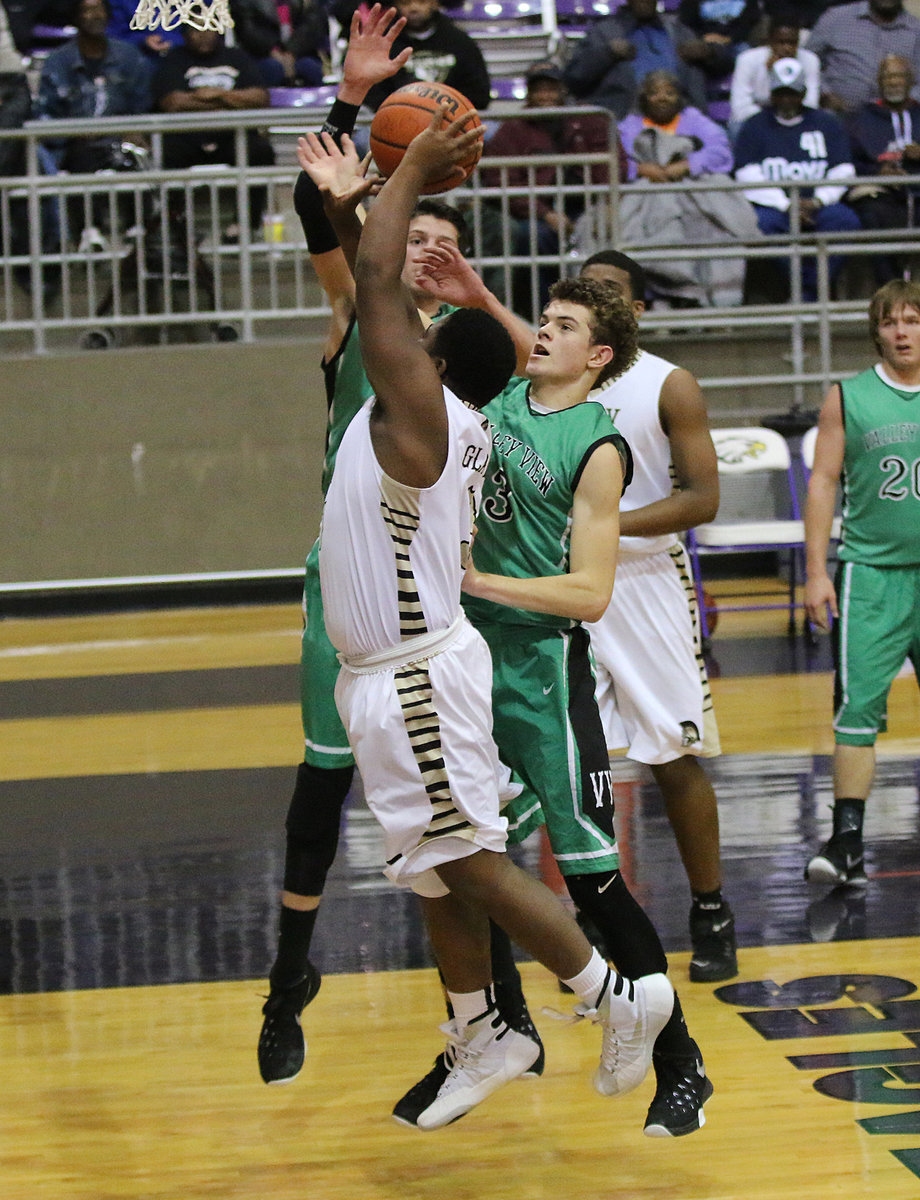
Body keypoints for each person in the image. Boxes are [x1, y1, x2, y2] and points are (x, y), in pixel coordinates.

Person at [314, 105, 676, 1131]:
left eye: (419, 339)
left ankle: (614, 994)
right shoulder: (426, 408)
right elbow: (374, 293)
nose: (402, 333)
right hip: (388, 671)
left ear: (427, 367)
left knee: (466, 859)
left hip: (415, 673)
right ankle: (483, 1029)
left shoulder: (417, 421)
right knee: (432, 867)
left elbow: (383, 295)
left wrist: (410, 176)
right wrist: (354, 212)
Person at [257, 4, 539, 1091]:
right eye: (408, 237)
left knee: (464, 821)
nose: (422, 250)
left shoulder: (466, 358)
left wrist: (476, 290)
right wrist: (355, 97)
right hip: (351, 597)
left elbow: (555, 374)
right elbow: (317, 218)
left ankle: (498, 1009)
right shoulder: (355, 325)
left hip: (441, 607)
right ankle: (288, 983)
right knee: (322, 794)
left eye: (440, 242)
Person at [407, 244, 715, 1138]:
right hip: (469, 666)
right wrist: (470, 293)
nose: (544, 332)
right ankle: (498, 1031)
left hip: (544, 667)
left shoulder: (600, 445)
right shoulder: (498, 400)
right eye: (542, 320)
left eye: (566, 326)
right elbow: (507, 341)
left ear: (601, 359)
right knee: (457, 863)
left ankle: (680, 1062)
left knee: (594, 885)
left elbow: (590, 593)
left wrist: (481, 582)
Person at [575, 248, 736, 983]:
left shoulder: (669, 382)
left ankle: (710, 910)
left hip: (644, 581)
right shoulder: (548, 381)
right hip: (571, 584)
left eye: (609, 292)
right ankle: (602, 918)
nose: (594, 301)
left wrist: (608, 525)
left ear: (637, 311)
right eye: (584, 292)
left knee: (675, 753)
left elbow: (702, 498)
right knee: (579, 765)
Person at [803, 277, 920, 888]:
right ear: (876, 330)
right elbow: (823, 483)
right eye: (890, 321)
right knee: (857, 714)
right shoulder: (848, 396)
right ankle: (846, 842)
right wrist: (817, 570)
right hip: (871, 574)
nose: (902, 332)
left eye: (912, 319)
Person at [479, 58, 621, 315]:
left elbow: (614, 165)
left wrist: (607, 202)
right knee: (532, 236)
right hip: (539, 212)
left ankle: (602, 313)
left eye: (551, 88)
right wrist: (545, 213)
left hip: (589, 204)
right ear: (529, 93)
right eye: (539, 89)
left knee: (606, 231)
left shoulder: (589, 119)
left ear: (563, 90)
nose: (545, 95)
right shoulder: (512, 129)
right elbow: (500, 181)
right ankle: (545, 311)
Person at [614, 70, 759, 309]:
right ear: (644, 98)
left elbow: (720, 151)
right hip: (646, 194)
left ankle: (715, 303)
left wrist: (687, 164)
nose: (662, 98)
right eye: (655, 93)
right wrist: (640, 169)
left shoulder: (694, 120)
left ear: (679, 97)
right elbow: (615, 161)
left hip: (692, 191)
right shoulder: (628, 127)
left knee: (715, 227)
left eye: (669, 93)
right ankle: (663, 294)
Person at [734, 56, 861, 303]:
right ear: (771, 94)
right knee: (761, 225)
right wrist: (787, 205)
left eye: (792, 93)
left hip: (819, 204)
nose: (786, 99)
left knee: (846, 220)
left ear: (803, 93)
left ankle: (811, 291)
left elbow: (843, 169)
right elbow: (745, 173)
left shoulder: (826, 123)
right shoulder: (755, 126)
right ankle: (804, 287)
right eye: (780, 93)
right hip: (774, 207)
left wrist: (817, 201)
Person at [36, 0, 151, 250]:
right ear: (76, 18)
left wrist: (135, 129)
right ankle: (90, 231)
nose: (94, 15)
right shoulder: (58, 62)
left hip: (121, 139)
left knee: (132, 156)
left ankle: (139, 228)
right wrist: (71, 131)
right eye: (87, 10)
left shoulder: (128, 56)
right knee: (82, 156)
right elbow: (46, 114)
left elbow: (143, 103)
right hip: (77, 144)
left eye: (99, 9)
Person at [151, 24, 275, 240]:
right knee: (166, 153)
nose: (203, 35)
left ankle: (245, 224)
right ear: (184, 35)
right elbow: (172, 102)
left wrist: (216, 94)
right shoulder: (175, 58)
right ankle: (175, 225)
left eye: (208, 29)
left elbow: (260, 98)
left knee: (260, 151)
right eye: (195, 30)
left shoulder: (236, 57)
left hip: (231, 136)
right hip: (187, 137)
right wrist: (230, 101)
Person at [562, 0, 708, 121]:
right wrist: (607, 53)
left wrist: (712, 52)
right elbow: (574, 78)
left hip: (681, 122)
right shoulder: (603, 32)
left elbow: (723, 63)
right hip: (622, 122)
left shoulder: (680, 32)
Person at [845, 54, 920, 282]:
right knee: (870, 213)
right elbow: (848, 162)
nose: (893, 82)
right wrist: (877, 173)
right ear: (878, 82)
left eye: (899, 76)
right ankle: (890, 285)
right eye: (887, 77)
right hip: (880, 192)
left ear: (910, 80)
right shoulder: (860, 118)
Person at [355, 0, 491, 112]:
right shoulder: (384, 42)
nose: (413, 8)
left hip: (452, 118)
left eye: (421, 2)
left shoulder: (460, 41)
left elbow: (479, 93)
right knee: (363, 138)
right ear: (396, 5)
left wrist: (445, 108)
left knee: (494, 133)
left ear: (435, 3)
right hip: (396, 118)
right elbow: (373, 93)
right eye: (406, 3)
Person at [807, 0, 920, 115]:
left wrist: (903, 103)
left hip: (892, 122)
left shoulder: (916, 30)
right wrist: (824, 92)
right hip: (837, 117)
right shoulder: (836, 18)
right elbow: (807, 60)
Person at [729, 12, 821, 131]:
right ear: (770, 41)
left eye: (792, 43)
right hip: (757, 120)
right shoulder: (747, 59)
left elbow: (811, 104)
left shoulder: (810, 60)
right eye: (781, 42)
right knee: (736, 126)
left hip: (795, 118)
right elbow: (740, 109)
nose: (787, 48)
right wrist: (771, 74)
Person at [227, 0, 329, 88]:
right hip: (260, 54)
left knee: (309, 67)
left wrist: (292, 51)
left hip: (299, 52)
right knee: (272, 68)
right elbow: (247, 29)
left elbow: (313, 23)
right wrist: (273, 50)